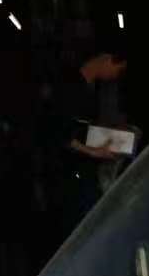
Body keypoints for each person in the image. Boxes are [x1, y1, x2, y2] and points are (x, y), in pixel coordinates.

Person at [49, 51, 128, 240]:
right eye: (117, 70)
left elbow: (81, 128)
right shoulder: (69, 87)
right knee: (79, 227)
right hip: (69, 172)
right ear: (106, 60)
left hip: (83, 168)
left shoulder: (91, 88)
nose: (115, 76)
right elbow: (59, 134)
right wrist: (95, 152)